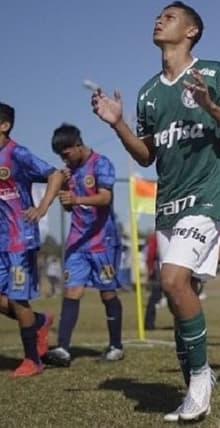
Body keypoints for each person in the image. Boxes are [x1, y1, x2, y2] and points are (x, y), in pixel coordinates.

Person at [91, 1, 220, 422]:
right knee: (179, 299)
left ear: (192, 30)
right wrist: (117, 124)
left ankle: (200, 380)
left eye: (170, 16)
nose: (159, 19)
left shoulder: (213, 73)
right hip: (168, 207)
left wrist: (210, 106)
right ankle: (195, 381)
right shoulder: (147, 92)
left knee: (174, 279)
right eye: (157, 15)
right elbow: (146, 156)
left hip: (206, 198)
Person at [43, 124, 124, 367]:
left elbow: (105, 197)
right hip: (77, 242)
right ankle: (63, 349)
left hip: (103, 241)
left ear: (78, 145)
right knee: (72, 291)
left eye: (66, 153)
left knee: (107, 292)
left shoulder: (101, 163)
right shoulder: (70, 172)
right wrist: (66, 191)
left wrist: (76, 198)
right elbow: (69, 207)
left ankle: (116, 346)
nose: (64, 159)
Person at [0, 101, 62, 376]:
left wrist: (42, 207)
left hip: (19, 240)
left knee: (17, 299)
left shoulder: (17, 154)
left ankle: (32, 361)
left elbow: (55, 175)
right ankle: (39, 321)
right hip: (1, 240)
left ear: (5, 126)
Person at [144, 232, 162, 331]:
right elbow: (151, 254)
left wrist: (150, 269)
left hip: (160, 270)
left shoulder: (156, 236)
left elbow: (150, 255)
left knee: (154, 298)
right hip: (159, 271)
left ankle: (148, 324)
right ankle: (148, 324)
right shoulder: (156, 236)